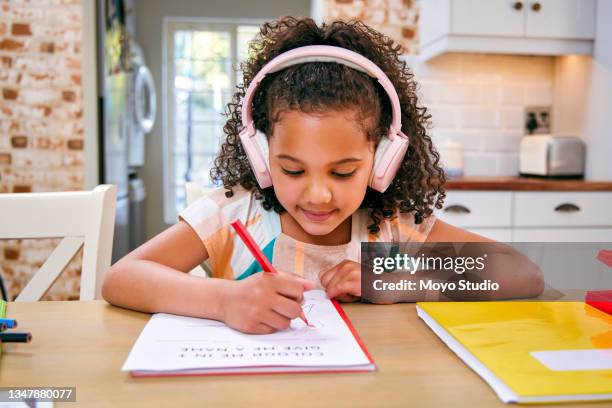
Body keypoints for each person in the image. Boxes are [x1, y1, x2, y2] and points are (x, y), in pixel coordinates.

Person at [102, 17, 543, 334]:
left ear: (383, 159)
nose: (318, 194)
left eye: (344, 171)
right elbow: (121, 278)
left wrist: (403, 280)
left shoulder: (389, 225)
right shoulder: (235, 214)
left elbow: (523, 272)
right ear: (261, 156)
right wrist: (223, 300)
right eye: (292, 169)